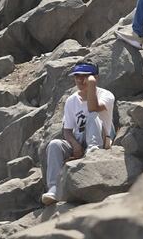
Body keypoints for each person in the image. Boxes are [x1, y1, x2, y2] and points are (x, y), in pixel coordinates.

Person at [41, 61, 115, 206]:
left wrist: (92, 85)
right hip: (79, 141)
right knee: (54, 144)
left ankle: (93, 152)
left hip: (100, 139)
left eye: (85, 76)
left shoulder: (106, 95)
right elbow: (67, 130)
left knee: (93, 115)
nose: (80, 80)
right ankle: (54, 189)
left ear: (95, 78)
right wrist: (75, 145)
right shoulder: (71, 100)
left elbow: (93, 107)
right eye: (77, 76)